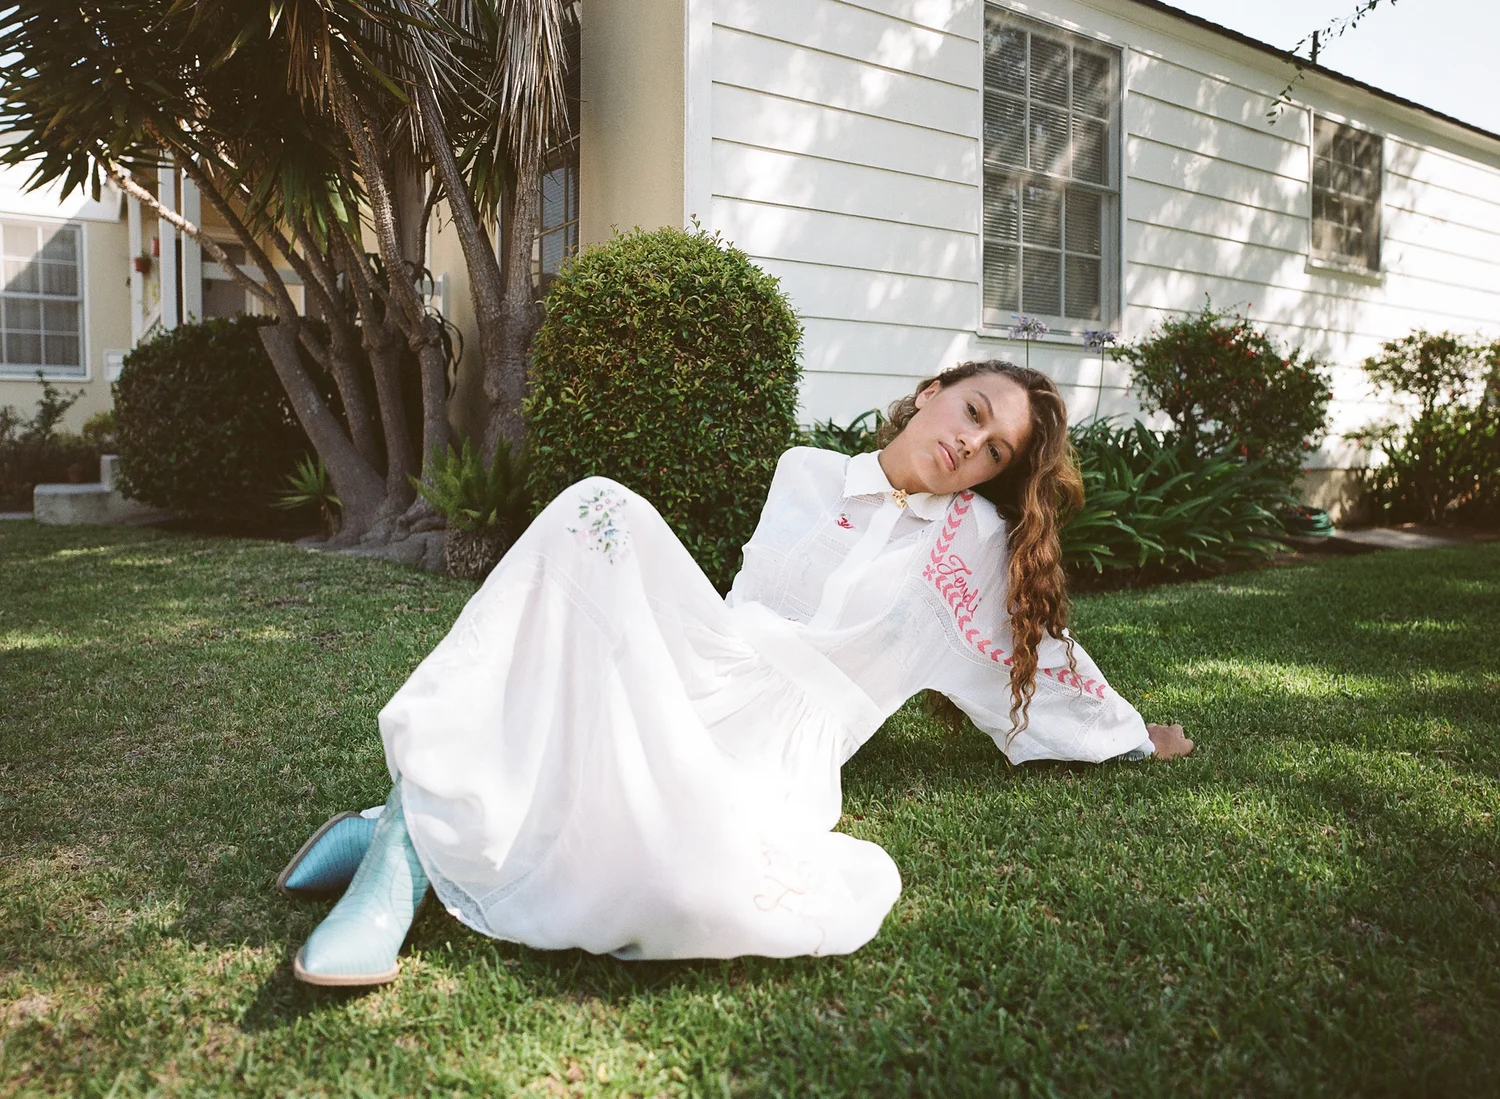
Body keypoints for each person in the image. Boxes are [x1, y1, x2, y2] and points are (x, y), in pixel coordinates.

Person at [282, 360, 1193, 987]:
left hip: (781, 751)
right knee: (597, 510)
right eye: (974, 412)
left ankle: (395, 828)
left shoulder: (975, 548)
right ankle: (392, 873)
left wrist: (1128, 733)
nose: (972, 444)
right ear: (932, 392)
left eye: (995, 452)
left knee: (680, 882)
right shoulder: (805, 470)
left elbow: (1044, 660)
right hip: (708, 658)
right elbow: (740, 603)